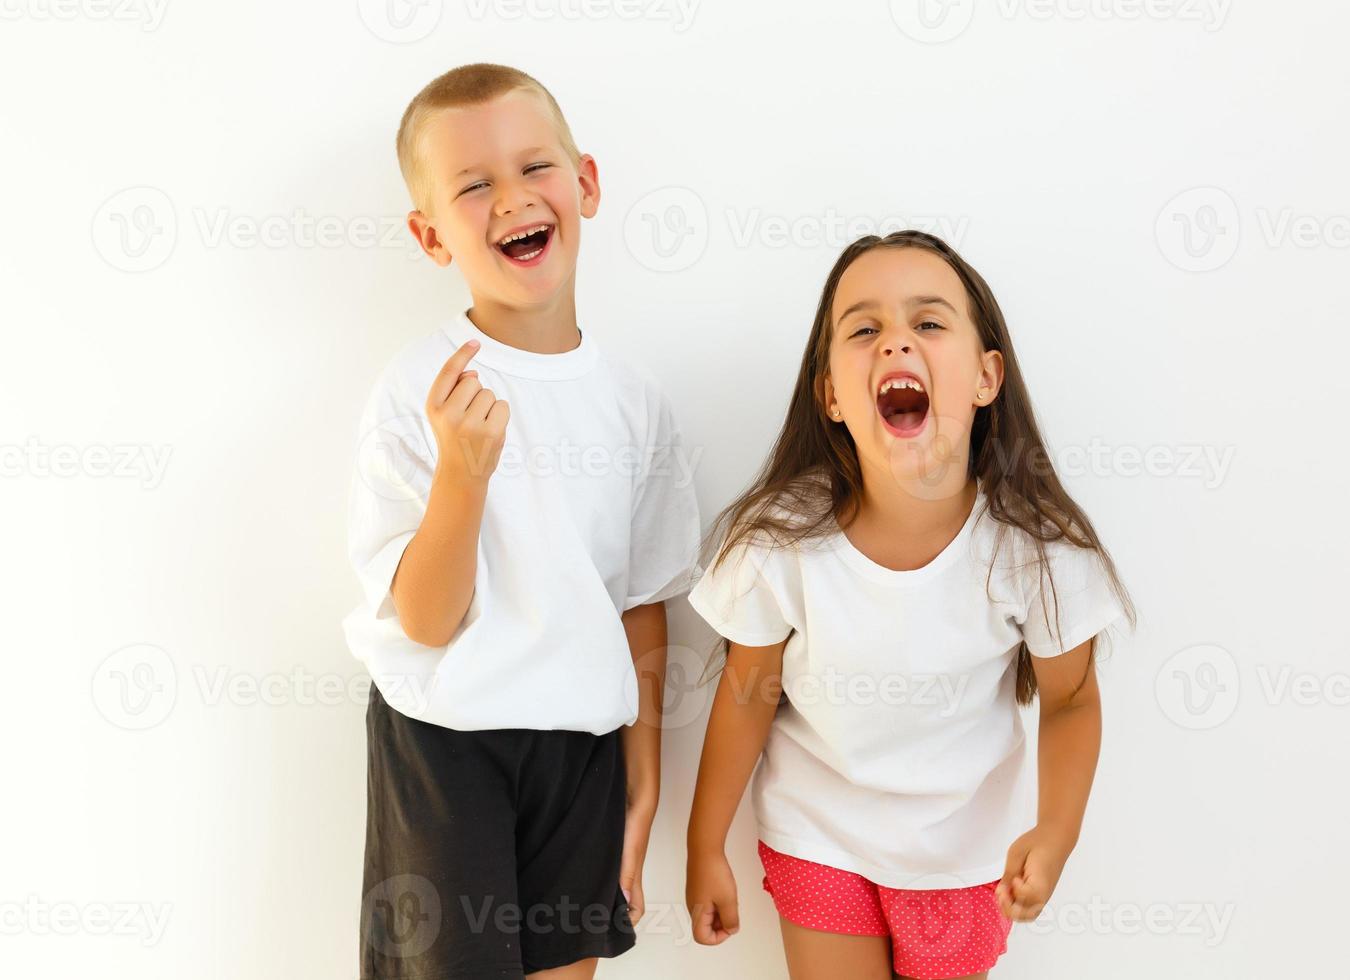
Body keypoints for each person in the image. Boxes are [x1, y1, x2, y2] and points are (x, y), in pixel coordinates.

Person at [685, 230, 1134, 980]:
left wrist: (1057, 833)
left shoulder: (1037, 553)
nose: (895, 344)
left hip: (962, 858)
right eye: (864, 329)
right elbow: (746, 692)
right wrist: (703, 846)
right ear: (830, 392)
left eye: (927, 323)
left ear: (987, 376)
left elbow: (1072, 699)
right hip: (818, 836)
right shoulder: (779, 544)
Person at [345, 63, 700, 980]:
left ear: (584, 183)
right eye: (473, 185)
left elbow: (641, 600)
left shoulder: (634, 401)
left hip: (581, 748)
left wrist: (643, 775)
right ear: (431, 235)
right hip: (446, 744)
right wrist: (462, 477)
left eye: (532, 168)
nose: (511, 199)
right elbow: (423, 621)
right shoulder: (418, 391)